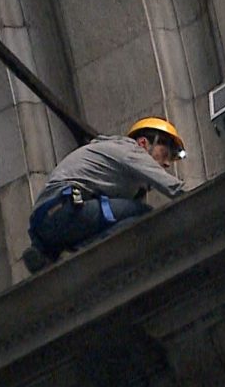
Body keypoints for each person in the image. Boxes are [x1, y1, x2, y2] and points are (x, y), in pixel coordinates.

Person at [23, 117, 187, 274]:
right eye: (165, 154)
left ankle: (51, 255)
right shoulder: (131, 150)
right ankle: (85, 256)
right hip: (65, 208)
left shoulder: (112, 168)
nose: (166, 164)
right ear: (143, 143)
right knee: (144, 216)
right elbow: (172, 187)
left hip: (44, 221)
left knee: (126, 219)